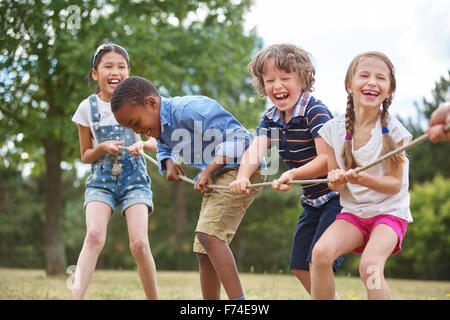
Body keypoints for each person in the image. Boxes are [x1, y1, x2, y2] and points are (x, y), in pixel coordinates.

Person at [111, 76, 266, 300]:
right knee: (203, 250)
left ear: (152, 103)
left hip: (242, 168)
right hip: (221, 172)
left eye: (136, 123)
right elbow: (164, 145)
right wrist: (168, 162)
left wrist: (209, 169)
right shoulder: (161, 125)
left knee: (209, 236)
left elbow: (241, 138)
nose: (139, 131)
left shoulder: (190, 110)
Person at [229, 44, 343, 297]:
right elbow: (255, 150)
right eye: (269, 80)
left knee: (317, 260)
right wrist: (242, 176)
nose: (277, 85)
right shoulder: (271, 118)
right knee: (300, 267)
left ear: (304, 79)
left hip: (338, 198)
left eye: (285, 78)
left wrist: (292, 174)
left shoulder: (315, 112)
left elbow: (326, 159)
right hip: (313, 200)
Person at [311, 51, 413, 300]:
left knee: (370, 267)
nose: (372, 82)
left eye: (381, 78)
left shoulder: (396, 132)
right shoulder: (332, 130)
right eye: (364, 75)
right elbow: (335, 183)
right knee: (320, 254)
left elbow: (394, 185)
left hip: (388, 214)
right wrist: (336, 181)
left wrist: (362, 179)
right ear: (349, 85)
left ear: (389, 91)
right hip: (354, 213)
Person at [71, 43, 158, 299]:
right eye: (108, 66)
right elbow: (86, 155)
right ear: (95, 73)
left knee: (140, 244)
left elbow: (156, 142)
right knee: (94, 236)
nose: (115, 71)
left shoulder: (143, 103)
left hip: (135, 180)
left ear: (129, 72)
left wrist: (143, 144)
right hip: (101, 181)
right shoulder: (87, 108)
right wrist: (103, 148)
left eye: (121, 66)